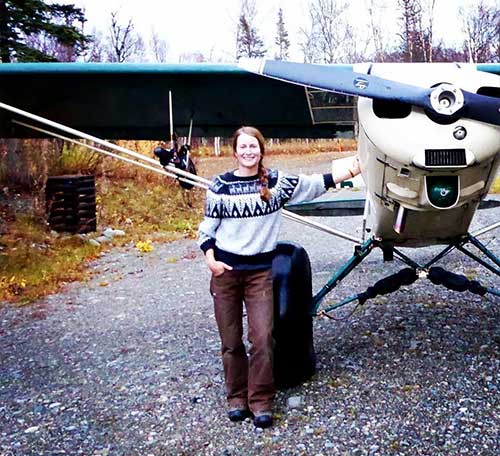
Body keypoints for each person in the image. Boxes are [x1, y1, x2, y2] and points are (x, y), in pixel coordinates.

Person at [197, 126, 361, 429]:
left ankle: (260, 401)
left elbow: (313, 184)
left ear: (261, 151)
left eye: (253, 147)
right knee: (231, 341)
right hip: (226, 274)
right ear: (234, 152)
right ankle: (236, 397)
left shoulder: (276, 183)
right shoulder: (220, 186)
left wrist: (355, 167)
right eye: (242, 148)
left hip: (260, 274)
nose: (248, 152)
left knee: (262, 339)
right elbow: (207, 230)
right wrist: (212, 260)